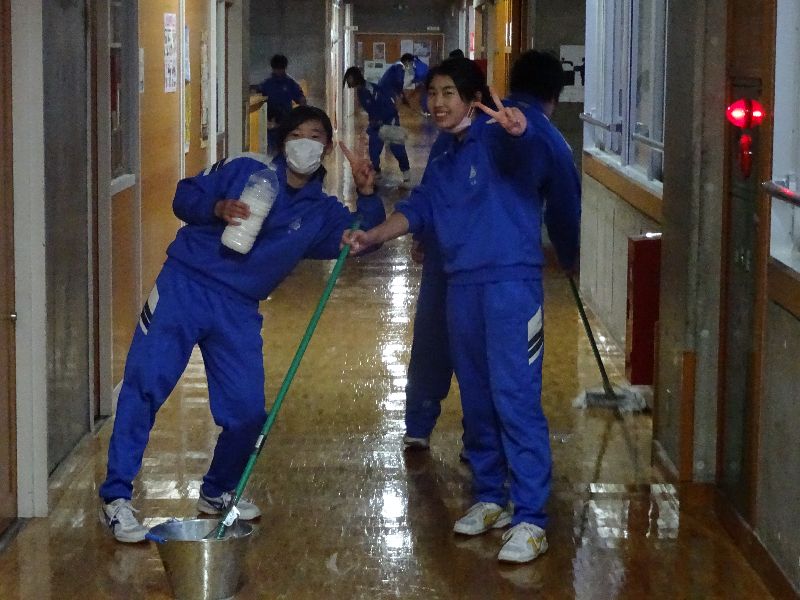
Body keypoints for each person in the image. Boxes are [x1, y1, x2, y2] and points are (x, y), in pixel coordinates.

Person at [99, 105, 384, 543]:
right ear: (282, 141)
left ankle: (217, 490)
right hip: (185, 285)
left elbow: (361, 239)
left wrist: (367, 194)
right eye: (296, 135)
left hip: (238, 307)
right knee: (145, 384)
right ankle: (117, 497)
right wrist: (216, 207)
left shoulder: (320, 212)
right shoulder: (245, 169)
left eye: (315, 136)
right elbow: (183, 196)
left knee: (247, 411)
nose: (305, 144)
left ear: (327, 148)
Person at [343, 57, 580, 564]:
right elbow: (422, 207)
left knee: (515, 397)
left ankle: (531, 517)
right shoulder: (446, 152)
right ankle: (491, 496)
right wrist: (375, 235)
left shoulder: (501, 137)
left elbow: (534, 161)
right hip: (460, 284)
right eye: (433, 93)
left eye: (449, 93)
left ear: (474, 98)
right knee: (476, 395)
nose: (437, 103)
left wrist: (521, 133)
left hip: (510, 285)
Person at [403, 50, 581, 453]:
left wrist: (425, 234)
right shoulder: (548, 137)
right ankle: (483, 446)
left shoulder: (469, 122)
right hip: (502, 267)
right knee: (500, 366)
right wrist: (569, 257)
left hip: (449, 255)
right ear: (555, 96)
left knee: (437, 338)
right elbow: (564, 206)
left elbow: (435, 184)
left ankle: (419, 424)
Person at [344, 66, 411, 186]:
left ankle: (406, 174)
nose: (349, 82)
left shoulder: (370, 88)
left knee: (397, 148)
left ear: (356, 77)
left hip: (389, 120)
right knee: (373, 150)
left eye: (350, 78)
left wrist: (386, 118)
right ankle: (376, 172)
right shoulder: (360, 92)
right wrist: (374, 121)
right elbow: (371, 109)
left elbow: (385, 104)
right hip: (376, 124)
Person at [255, 54, 308, 153]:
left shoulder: (290, 84)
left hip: (286, 122)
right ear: (273, 68)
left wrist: (301, 118)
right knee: (272, 151)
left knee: (286, 150)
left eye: (281, 68)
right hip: (270, 124)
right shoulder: (265, 85)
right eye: (277, 68)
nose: (279, 71)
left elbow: (301, 100)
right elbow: (257, 103)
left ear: (285, 68)